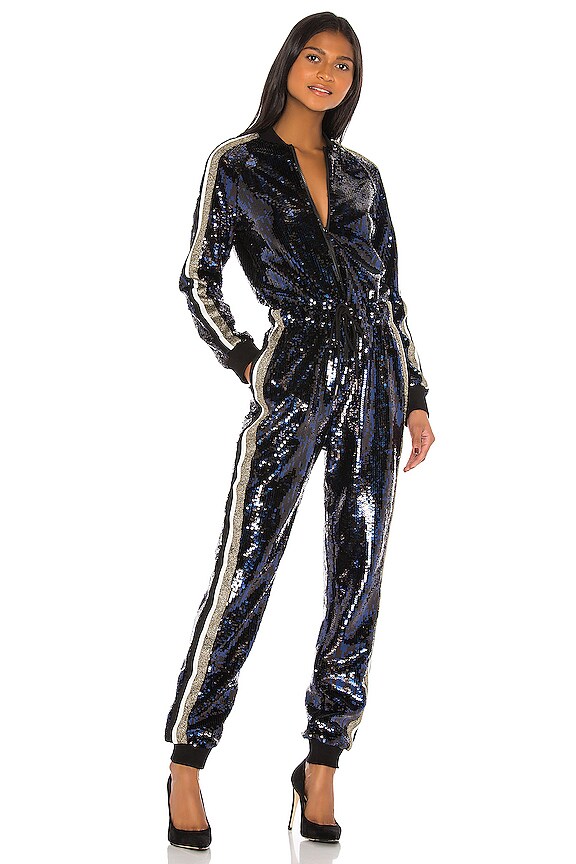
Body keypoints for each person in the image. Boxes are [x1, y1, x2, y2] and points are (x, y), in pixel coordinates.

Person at [165, 12, 436, 849]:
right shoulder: (238, 164)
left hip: (377, 377)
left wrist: (418, 395)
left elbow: (390, 295)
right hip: (294, 373)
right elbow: (199, 277)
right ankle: (188, 758)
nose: (326, 73)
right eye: (314, 56)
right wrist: (246, 359)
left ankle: (323, 762)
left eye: (343, 64)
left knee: (360, 571)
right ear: (288, 63)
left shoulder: (363, 176)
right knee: (246, 565)